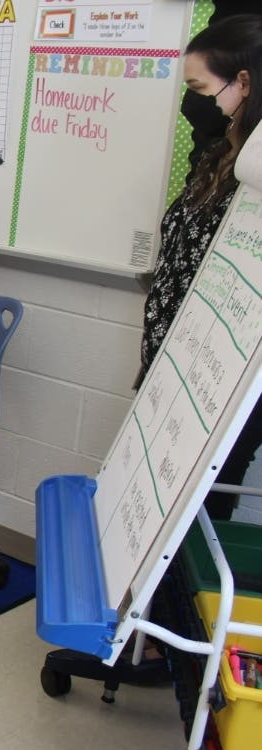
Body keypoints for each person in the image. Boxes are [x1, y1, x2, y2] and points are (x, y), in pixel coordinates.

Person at [139, 15, 262, 520]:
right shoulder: (220, 153)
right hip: (174, 359)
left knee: (198, 513)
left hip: (216, 376)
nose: (194, 104)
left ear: (245, 83)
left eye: (201, 88)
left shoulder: (253, 173)